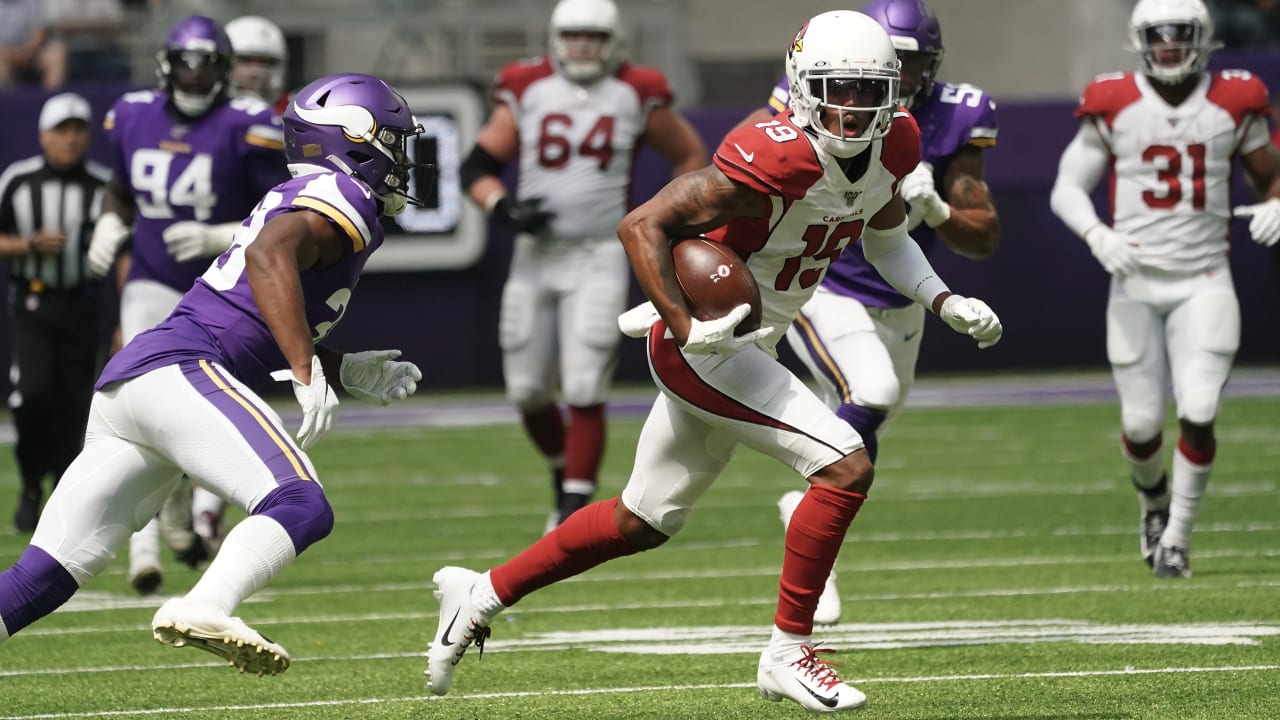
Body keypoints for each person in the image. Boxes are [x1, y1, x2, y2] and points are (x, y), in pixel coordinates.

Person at [427, 10, 1003, 712]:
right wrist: (683, 322)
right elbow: (643, 224)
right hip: (708, 344)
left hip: (751, 338)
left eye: (865, 89)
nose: (851, 107)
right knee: (845, 465)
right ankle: (789, 653)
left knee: (642, 520)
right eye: (836, 88)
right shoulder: (777, 151)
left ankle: (479, 591)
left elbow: (885, 239)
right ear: (800, 84)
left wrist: (942, 300)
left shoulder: (899, 141)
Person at [0, 72, 425, 674]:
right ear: (353, 137)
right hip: (180, 369)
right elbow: (266, 255)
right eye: (393, 139)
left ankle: (204, 603)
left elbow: (252, 311)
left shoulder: (313, 194)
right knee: (299, 503)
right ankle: (206, 604)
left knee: (41, 575)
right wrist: (306, 371)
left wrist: (340, 369)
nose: (401, 156)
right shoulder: (342, 192)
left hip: (136, 383)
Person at [741, 0, 1001, 626]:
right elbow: (745, 154)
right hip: (819, 280)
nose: (894, 79)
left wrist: (935, 210)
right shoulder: (813, 96)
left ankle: (813, 523)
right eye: (889, 61)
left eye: (909, 66)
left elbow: (983, 236)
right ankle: (812, 535)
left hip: (897, 292)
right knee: (872, 390)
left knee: (866, 426)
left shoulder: (939, 121)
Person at [1050, 0, 1280, 578]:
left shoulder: (1236, 98)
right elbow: (1066, 188)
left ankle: (1177, 536)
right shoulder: (1114, 100)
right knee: (1142, 425)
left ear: (1205, 39)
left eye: (1182, 36)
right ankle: (1153, 505)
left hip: (1205, 278)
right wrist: (1096, 233)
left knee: (1200, 407)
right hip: (1134, 282)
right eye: (1160, 36)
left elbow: (1269, 173)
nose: (1171, 47)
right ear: (1138, 41)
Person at [458, 0, 707, 531]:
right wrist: (503, 207)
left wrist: (670, 216)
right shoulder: (527, 85)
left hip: (599, 254)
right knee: (525, 391)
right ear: (554, 38)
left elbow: (689, 156)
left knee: (584, 385)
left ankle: (575, 500)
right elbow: (477, 166)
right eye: (573, 36)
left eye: (593, 37)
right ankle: (560, 469)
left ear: (614, 42)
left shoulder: (636, 92)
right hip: (535, 256)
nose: (582, 47)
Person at [86, 15, 291, 595]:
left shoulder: (246, 124)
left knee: (205, 404)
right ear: (166, 65)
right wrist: (109, 221)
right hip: (151, 279)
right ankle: (144, 542)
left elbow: (281, 207)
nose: (196, 78)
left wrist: (219, 233)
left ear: (223, 71)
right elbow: (123, 189)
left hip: (221, 284)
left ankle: (192, 506)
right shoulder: (132, 115)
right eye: (186, 65)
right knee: (136, 398)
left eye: (207, 67)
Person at [187, 14, 291, 553]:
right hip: (191, 270)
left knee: (235, 391)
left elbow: (286, 209)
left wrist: (219, 234)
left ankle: (202, 511)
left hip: (252, 269)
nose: (253, 72)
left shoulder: (300, 118)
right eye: (245, 59)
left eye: (264, 62)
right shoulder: (211, 115)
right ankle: (188, 514)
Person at [0, 93, 110, 533]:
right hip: (33, 304)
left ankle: (63, 499)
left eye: (78, 129)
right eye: (61, 130)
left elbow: (124, 247)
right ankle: (30, 485)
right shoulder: (19, 180)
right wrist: (28, 245)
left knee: (76, 409)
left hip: (82, 307)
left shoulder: (103, 186)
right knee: (33, 397)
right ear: (44, 135)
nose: (70, 138)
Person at [225, 15, 290, 114]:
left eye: (265, 62)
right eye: (245, 61)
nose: (255, 73)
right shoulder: (208, 114)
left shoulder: (293, 113)